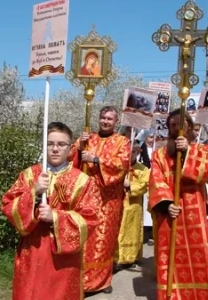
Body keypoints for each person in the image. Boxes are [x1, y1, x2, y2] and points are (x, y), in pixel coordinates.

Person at [1, 122, 102, 300]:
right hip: (32, 252)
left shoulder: (83, 181)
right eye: (50, 144)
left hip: (63, 260)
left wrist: (56, 217)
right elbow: (9, 206)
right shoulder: (30, 175)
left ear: (70, 148)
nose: (55, 149)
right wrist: (34, 193)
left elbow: (91, 218)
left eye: (61, 144)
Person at [149, 108, 208, 300]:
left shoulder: (204, 151)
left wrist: (188, 151)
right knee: (170, 257)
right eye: (172, 126)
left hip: (194, 212)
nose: (176, 129)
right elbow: (156, 180)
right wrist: (166, 204)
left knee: (200, 254)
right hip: (169, 213)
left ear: (190, 128)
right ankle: (172, 295)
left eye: (181, 125)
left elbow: (205, 173)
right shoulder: (159, 155)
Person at [69, 105, 131, 294]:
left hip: (109, 200)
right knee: (85, 238)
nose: (105, 121)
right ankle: (80, 279)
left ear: (116, 121)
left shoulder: (122, 141)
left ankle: (102, 281)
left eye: (109, 119)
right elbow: (70, 158)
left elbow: (123, 164)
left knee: (104, 240)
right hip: (87, 197)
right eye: (103, 118)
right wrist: (79, 147)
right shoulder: (89, 138)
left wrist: (96, 160)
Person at [114, 141, 150, 272]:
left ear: (138, 152)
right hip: (118, 203)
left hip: (133, 205)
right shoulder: (117, 166)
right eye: (128, 152)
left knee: (131, 231)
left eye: (133, 152)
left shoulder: (143, 169)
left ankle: (129, 258)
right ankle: (116, 258)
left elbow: (145, 185)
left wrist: (130, 186)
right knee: (117, 230)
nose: (130, 155)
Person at [136, 129, 155, 245]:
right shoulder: (141, 146)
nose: (151, 140)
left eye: (153, 137)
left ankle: (150, 233)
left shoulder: (156, 148)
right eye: (150, 137)